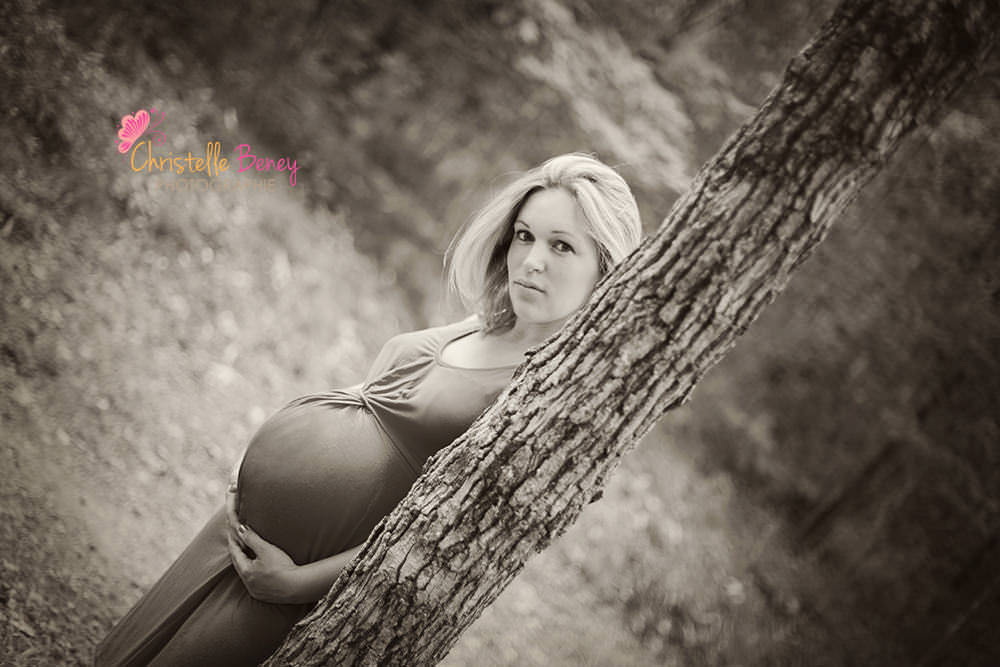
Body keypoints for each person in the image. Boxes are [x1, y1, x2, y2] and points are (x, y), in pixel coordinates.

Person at [95, 153, 643, 666]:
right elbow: (369, 403)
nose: (532, 261)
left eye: (562, 247)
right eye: (524, 235)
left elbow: (440, 535)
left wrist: (295, 585)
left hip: (294, 579)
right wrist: (262, 464)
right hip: (242, 529)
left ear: (605, 271)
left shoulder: (538, 395)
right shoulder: (483, 324)